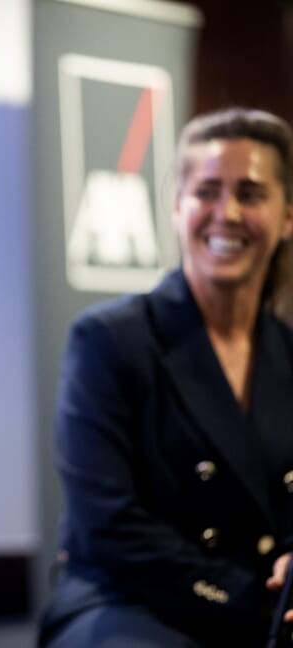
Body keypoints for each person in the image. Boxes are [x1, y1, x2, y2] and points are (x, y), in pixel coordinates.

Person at [38, 106, 293, 647]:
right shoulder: (108, 340)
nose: (225, 212)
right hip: (127, 603)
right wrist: (249, 595)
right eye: (206, 192)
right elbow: (107, 527)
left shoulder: (289, 352)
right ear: (177, 208)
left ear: (287, 215)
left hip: (265, 607)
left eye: (249, 194)